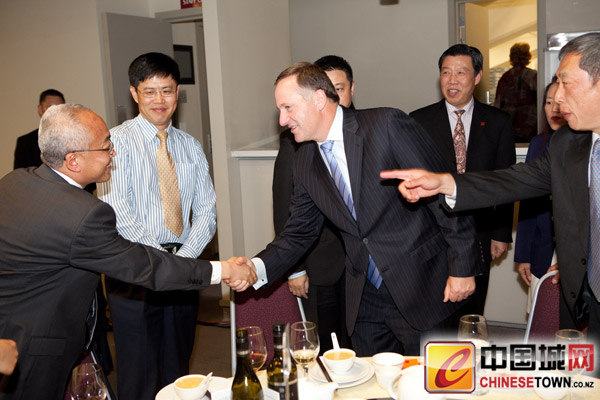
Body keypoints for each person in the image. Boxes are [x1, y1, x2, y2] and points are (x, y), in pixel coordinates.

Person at [0, 103, 256, 400]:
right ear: (74, 160)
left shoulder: (15, 181)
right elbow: (145, 266)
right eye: (106, 147)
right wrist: (223, 269)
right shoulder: (83, 214)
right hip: (33, 349)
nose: (114, 154)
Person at [380, 32, 600, 375]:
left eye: (565, 82)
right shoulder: (567, 144)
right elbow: (514, 180)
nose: (556, 97)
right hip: (587, 297)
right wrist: (446, 182)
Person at [237, 62, 481, 357]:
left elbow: (446, 193)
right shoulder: (304, 160)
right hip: (364, 298)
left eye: (288, 107)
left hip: (422, 286)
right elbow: (298, 232)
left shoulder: (385, 125)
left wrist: (463, 266)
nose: (282, 119)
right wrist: (255, 268)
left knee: (432, 378)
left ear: (318, 99)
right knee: (372, 378)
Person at [97, 52, 217, 400]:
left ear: (177, 92)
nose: (159, 100)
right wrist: (162, 263)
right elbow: (118, 210)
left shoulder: (191, 146)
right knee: (140, 373)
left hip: (182, 268)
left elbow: (207, 211)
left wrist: (184, 260)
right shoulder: (114, 143)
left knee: (179, 370)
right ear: (134, 93)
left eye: (167, 90)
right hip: (134, 272)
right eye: (149, 91)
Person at [410, 44, 515, 317]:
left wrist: (500, 234)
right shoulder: (418, 121)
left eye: (461, 72)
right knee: (434, 310)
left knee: (472, 310)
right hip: (431, 231)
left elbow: (505, 182)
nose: (452, 80)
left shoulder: (498, 122)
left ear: (477, 76)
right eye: (446, 72)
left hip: (480, 230)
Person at [273, 55, 353, 353]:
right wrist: (295, 269)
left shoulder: (369, 132)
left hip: (363, 267)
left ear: (351, 89)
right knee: (326, 345)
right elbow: (285, 205)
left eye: (339, 89)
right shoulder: (295, 142)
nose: (333, 96)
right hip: (321, 264)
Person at [514, 77, 566, 313]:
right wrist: (523, 254)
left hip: (574, 251)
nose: (553, 109)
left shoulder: (587, 144)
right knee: (541, 318)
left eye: (559, 102)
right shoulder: (538, 143)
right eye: (548, 102)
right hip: (542, 247)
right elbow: (529, 202)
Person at [494, 42, 538, 143]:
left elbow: (498, 102)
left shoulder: (505, 77)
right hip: (530, 124)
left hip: (509, 123)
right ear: (527, 56)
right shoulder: (533, 76)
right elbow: (539, 100)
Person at [14, 89, 65, 170]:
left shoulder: (76, 140)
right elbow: (20, 176)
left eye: (59, 108)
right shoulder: (25, 143)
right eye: (50, 107)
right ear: (40, 109)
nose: (55, 112)